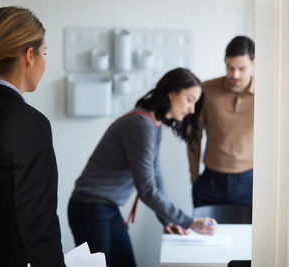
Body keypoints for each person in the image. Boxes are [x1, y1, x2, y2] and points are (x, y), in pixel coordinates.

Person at [68, 68, 218, 267]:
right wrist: (188, 221)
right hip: (90, 207)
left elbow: (156, 177)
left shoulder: (152, 125)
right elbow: (147, 189)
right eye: (190, 99)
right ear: (172, 92)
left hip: (105, 208)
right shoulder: (141, 125)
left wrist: (168, 220)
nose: (192, 109)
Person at [0, 6, 65, 267]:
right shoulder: (32, 124)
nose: (43, 62)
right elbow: (39, 224)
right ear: (30, 55)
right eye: (44, 53)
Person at [187, 36, 255, 208]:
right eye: (230, 67)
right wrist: (194, 177)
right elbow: (194, 135)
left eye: (242, 68)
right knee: (205, 233)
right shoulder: (206, 90)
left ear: (253, 63)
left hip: (250, 182)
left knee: (248, 235)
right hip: (210, 181)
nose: (235, 75)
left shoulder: (268, 93)